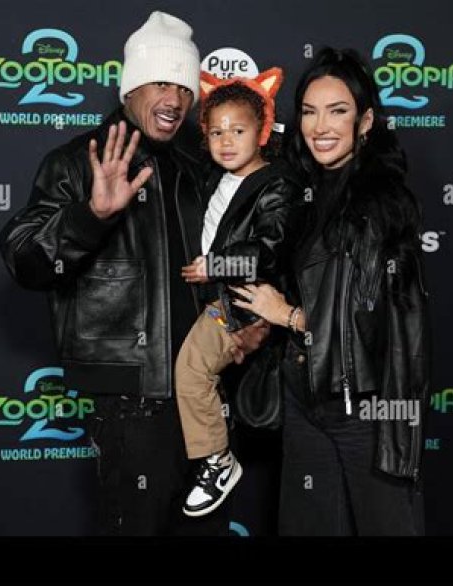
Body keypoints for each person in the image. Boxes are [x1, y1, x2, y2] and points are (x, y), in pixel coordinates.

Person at [0, 11, 268, 536]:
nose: (175, 99)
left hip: (206, 393)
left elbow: (237, 256)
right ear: (131, 88)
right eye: (161, 82)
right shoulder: (79, 161)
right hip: (131, 403)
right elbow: (23, 258)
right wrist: (90, 217)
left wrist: (248, 323)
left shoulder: (202, 166)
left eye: (184, 88)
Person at [231, 47, 431, 536]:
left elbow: (373, 323)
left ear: (365, 122)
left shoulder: (378, 204)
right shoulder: (299, 192)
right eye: (309, 111)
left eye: (337, 111)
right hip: (304, 400)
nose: (320, 126)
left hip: (363, 409)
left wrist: (288, 316)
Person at [175, 68, 303, 517]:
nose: (226, 141)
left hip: (245, 305)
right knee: (200, 377)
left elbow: (270, 250)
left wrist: (218, 264)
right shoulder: (216, 177)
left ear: (262, 131)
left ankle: (217, 461)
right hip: (216, 300)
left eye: (238, 131)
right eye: (216, 132)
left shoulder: (278, 184)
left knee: (191, 371)